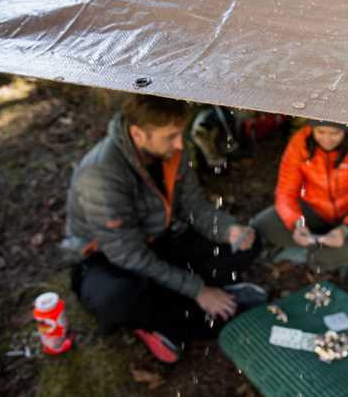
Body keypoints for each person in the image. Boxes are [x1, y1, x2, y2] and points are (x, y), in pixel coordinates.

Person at [61, 95, 263, 363]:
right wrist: (198, 290)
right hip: (106, 261)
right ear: (137, 134)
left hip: (158, 241)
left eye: (181, 134)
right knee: (118, 298)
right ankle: (174, 318)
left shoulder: (172, 152)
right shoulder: (100, 175)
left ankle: (196, 300)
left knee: (248, 242)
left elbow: (193, 206)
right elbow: (128, 256)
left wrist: (228, 230)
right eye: (170, 136)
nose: (180, 144)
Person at [253, 119, 348, 275]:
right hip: (314, 209)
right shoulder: (299, 143)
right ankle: (330, 250)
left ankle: (315, 257)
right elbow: (285, 193)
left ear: (346, 131)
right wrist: (296, 224)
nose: (327, 139)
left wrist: (347, 229)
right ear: (312, 128)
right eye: (320, 132)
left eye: (335, 133)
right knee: (262, 224)